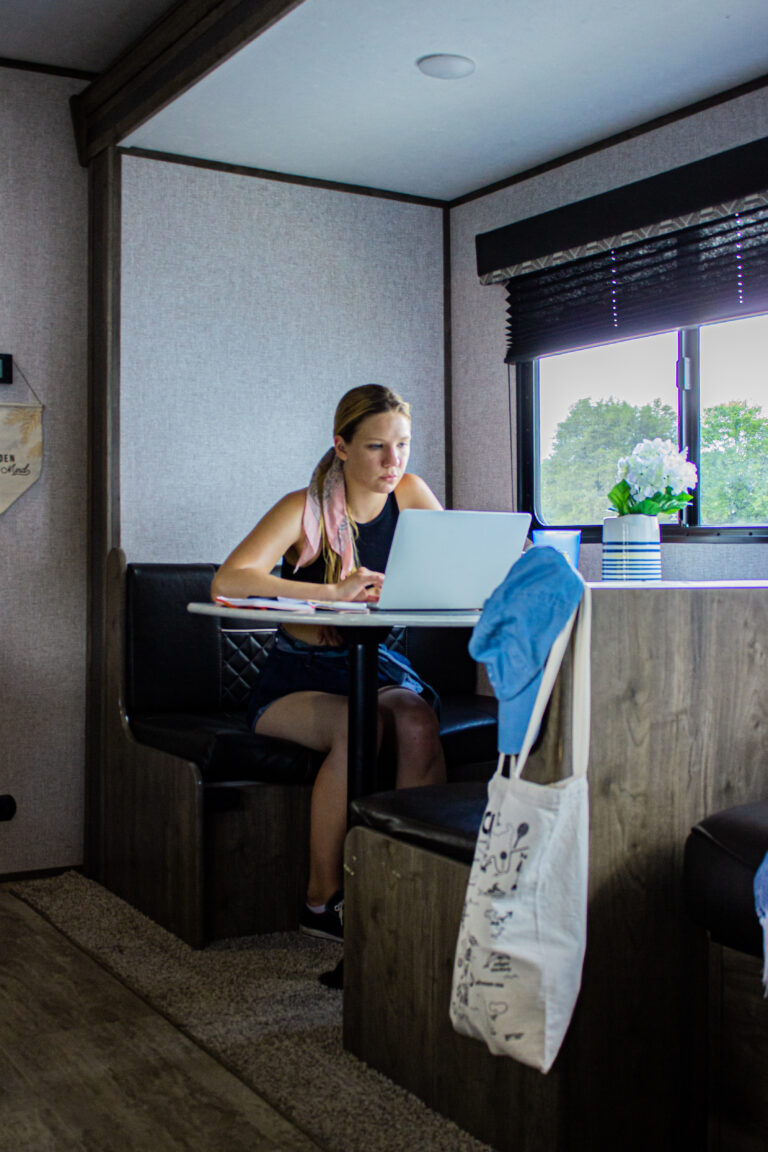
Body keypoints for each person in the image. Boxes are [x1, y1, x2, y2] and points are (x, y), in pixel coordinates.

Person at [211, 384, 446, 941]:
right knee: (355, 724)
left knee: (415, 722)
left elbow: (446, 563)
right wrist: (328, 595)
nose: (394, 462)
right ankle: (321, 902)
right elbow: (228, 581)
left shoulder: (411, 494)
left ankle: (402, 881)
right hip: (298, 676)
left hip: (376, 663)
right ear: (341, 446)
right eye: (375, 448)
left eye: (403, 446)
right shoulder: (304, 507)